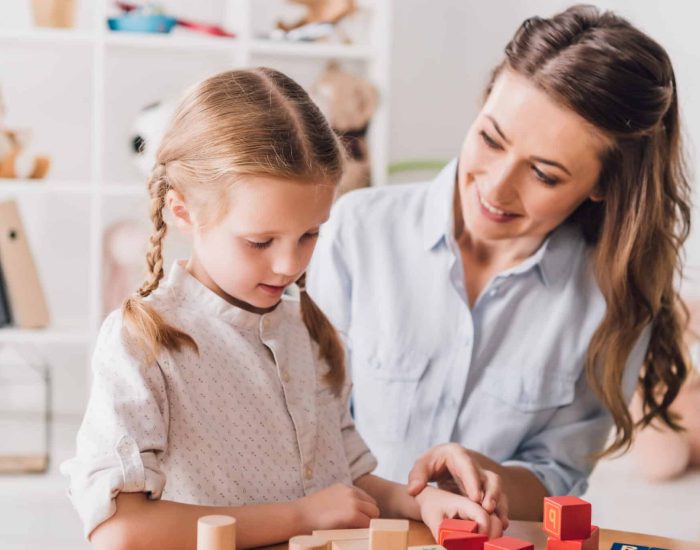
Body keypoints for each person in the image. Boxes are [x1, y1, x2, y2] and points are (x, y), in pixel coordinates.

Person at [61, 68, 504, 550]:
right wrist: (299, 517)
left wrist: (423, 503)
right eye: (260, 241)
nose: (289, 263)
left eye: (310, 234)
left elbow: (345, 490)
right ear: (183, 211)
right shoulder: (142, 343)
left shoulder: (306, 331)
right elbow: (120, 531)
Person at [308, 4, 691, 522]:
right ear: (482, 103)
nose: (495, 186)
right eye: (490, 139)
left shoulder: (612, 297)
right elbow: (306, 431)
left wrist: (492, 479)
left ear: (603, 185)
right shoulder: (356, 232)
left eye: (545, 174)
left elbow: (559, 475)